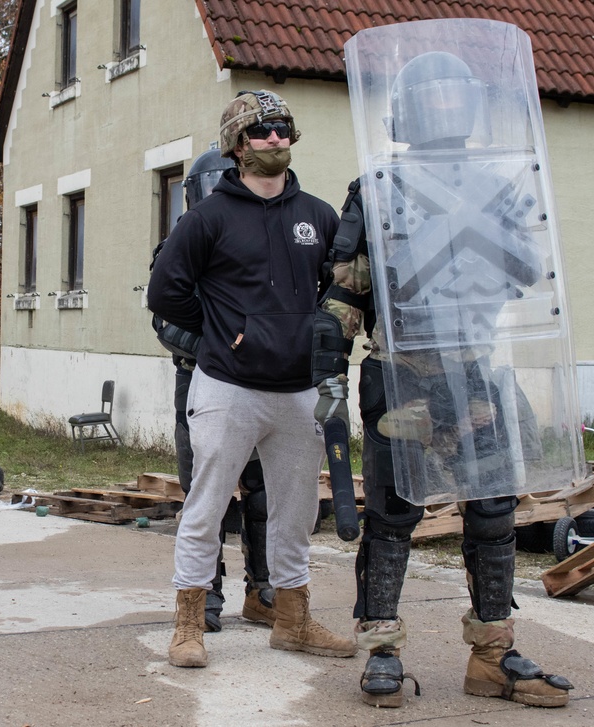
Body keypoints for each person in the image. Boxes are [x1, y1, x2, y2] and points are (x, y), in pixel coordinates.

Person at [312, 50, 573, 707]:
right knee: (393, 516)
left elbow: (525, 272)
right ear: (408, 112)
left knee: (492, 516)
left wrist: (476, 225)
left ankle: (492, 652)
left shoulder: (500, 182)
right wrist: (327, 351)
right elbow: (348, 288)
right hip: (402, 374)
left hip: (476, 370)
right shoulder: (377, 188)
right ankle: (381, 651)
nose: (448, 109)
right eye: (438, 99)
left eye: (459, 97)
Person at [148, 90, 356, 668]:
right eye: (264, 132)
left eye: (284, 130)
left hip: (298, 392)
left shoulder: (317, 215)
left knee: (295, 512)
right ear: (239, 146)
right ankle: (189, 622)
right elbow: (165, 294)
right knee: (206, 505)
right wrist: (225, 333)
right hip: (228, 387)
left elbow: (336, 288)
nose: (276, 140)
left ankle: (292, 620)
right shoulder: (207, 218)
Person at [152, 148, 276, 633]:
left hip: (261, 381)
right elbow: (166, 321)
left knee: (262, 493)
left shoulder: (263, 242)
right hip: (201, 379)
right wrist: (222, 342)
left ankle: (263, 588)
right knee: (207, 492)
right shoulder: (182, 242)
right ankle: (206, 590)